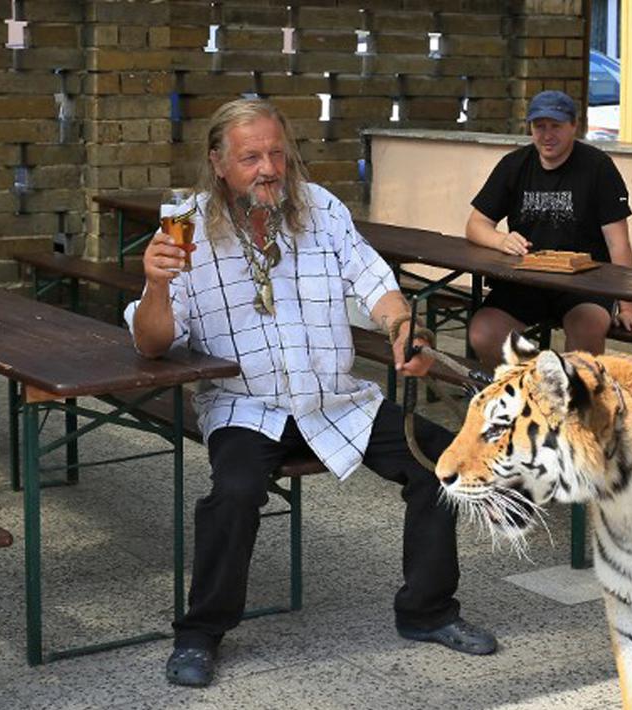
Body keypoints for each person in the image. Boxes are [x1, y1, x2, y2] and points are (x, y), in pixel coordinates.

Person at [127, 99, 497, 689]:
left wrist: (404, 328)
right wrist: (155, 284)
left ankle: (427, 612)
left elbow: (378, 285)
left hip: (336, 400)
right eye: (251, 157)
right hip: (246, 405)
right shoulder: (184, 230)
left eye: (277, 153)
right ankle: (199, 634)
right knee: (236, 492)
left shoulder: (321, 209)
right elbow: (151, 344)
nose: (268, 168)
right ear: (218, 163)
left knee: (440, 462)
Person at [464, 89, 632, 370]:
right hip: (527, 280)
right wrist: (500, 240)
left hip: (586, 284)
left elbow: (618, 244)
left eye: (556, 126)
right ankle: (538, 385)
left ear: (575, 126)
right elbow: (475, 225)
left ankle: (576, 401)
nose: (547, 135)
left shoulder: (598, 168)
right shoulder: (514, 165)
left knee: (586, 332)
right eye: (540, 126)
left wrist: (628, 307)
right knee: (484, 332)